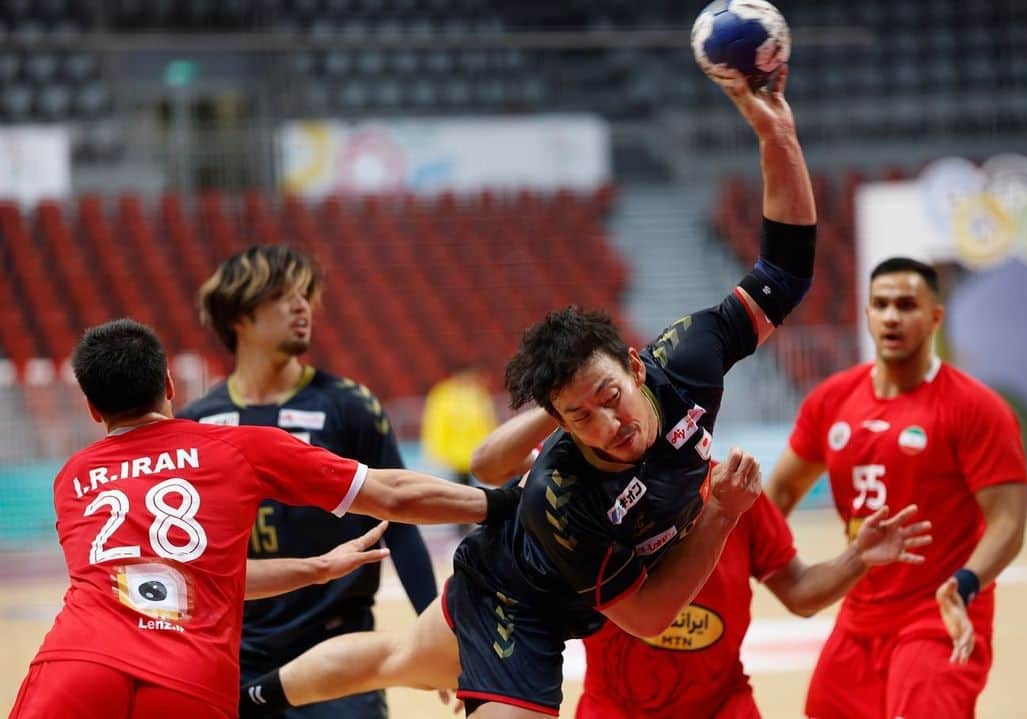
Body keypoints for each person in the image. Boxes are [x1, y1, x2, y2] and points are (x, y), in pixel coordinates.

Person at [238, 62, 818, 719]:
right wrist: (720, 514)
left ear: (635, 364)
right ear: (559, 425)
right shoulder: (564, 496)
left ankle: (247, 699)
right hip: (521, 598)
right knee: (416, 667)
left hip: (530, 567)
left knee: (395, 661)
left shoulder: (687, 355)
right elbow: (652, 616)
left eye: (609, 394)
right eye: (581, 417)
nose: (610, 422)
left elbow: (783, 272)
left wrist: (779, 139)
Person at [9, 319, 521, 719]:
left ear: (93, 409)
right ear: (169, 383)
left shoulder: (72, 478)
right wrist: (500, 504)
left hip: (77, 663)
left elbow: (184, 578)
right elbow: (392, 492)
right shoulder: (234, 447)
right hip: (187, 675)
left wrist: (317, 567)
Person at [468, 408, 932, 719]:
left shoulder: (734, 490)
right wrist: (481, 669)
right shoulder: (580, 496)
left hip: (721, 708)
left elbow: (800, 593)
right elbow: (488, 465)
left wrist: (857, 558)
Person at [178, 245, 438, 719]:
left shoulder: (350, 406)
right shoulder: (196, 424)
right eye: (282, 295)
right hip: (236, 655)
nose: (302, 306)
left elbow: (401, 523)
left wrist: (436, 628)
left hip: (339, 650)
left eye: (305, 295)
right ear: (239, 315)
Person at [765, 257, 1027, 719]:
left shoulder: (976, 408)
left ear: (935, 317)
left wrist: (965, 585)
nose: (891, 316)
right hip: (859, 614)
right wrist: (763, 566)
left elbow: (1008, 522)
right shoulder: (832, 401)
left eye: (906, 305)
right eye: (881, 305)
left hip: (938, 613)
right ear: (866, 314)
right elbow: (780, 495)